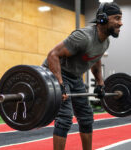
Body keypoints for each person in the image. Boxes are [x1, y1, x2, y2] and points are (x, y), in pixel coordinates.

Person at [42, 2, 123, 150]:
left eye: (121, 18)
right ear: (103, 19)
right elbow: (52, 55)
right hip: (57, 73)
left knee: (86, 116)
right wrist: (59, 84)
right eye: (117, 18)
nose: (121, 23)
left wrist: (100, 83)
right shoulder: (83, 37)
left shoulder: (105, 41)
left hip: (75, 77)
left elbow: (95, 58)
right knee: (65, 117)